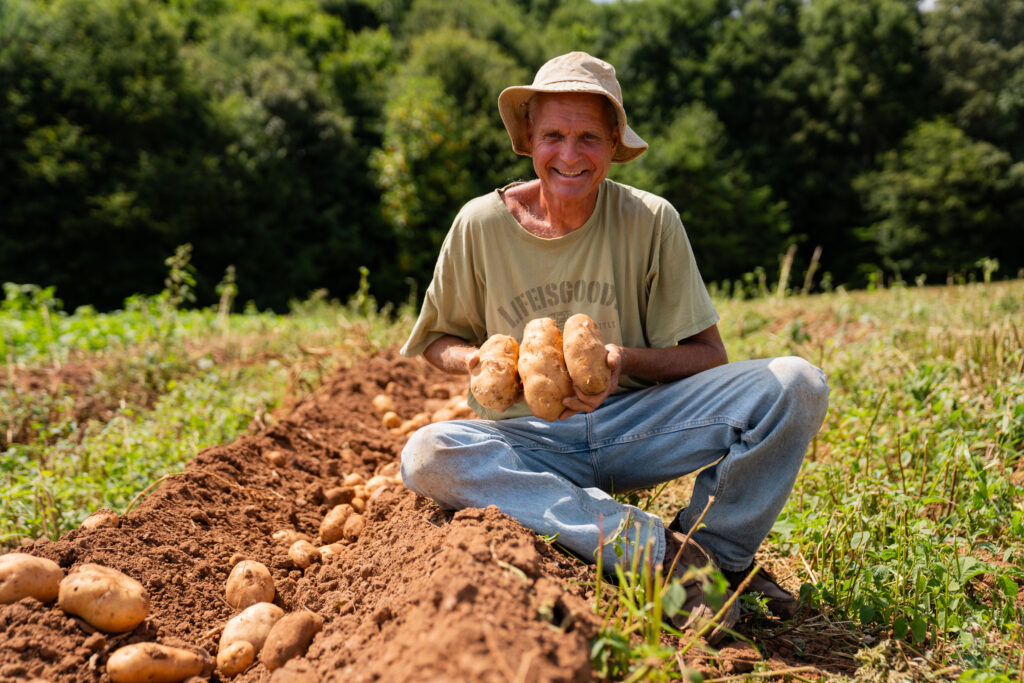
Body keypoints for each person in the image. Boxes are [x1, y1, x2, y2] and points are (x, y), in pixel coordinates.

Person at [399, 52, 829, 643]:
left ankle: (721, 553)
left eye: (588, 138)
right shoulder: (479, 225)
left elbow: (708, 355)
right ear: (528, 138)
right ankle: (661, 554)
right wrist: (474, 361)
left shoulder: (651, 220)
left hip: (638, 427)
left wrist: (624, 360)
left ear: (613, 144)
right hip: (530, 443)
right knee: (427, 454)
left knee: (796, 384)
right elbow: (436, 340)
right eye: (553, 135)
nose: (569, 155)